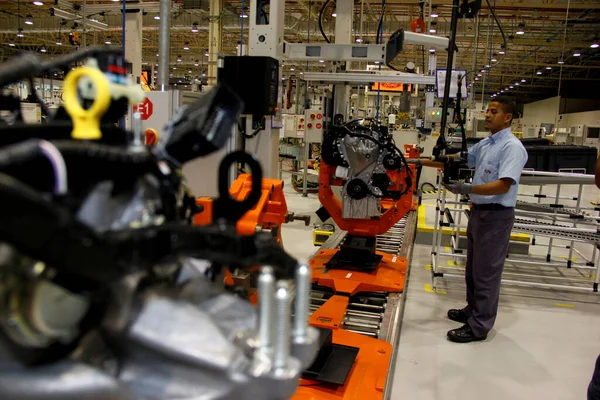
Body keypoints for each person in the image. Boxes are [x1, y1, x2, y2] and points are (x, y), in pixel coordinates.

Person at [414, 97, 528, 343]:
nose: (487, 115)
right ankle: (472, 310)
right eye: (487, 111)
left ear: (507, 117)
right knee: (473, 269)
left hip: (496, 216)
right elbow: (458, 158)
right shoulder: (487, 143)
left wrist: (465, 188)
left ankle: (479, 326)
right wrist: (418, 161)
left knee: (487, 272)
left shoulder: (511, 147)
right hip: (479, 213)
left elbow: (503, 185)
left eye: (493, 112)